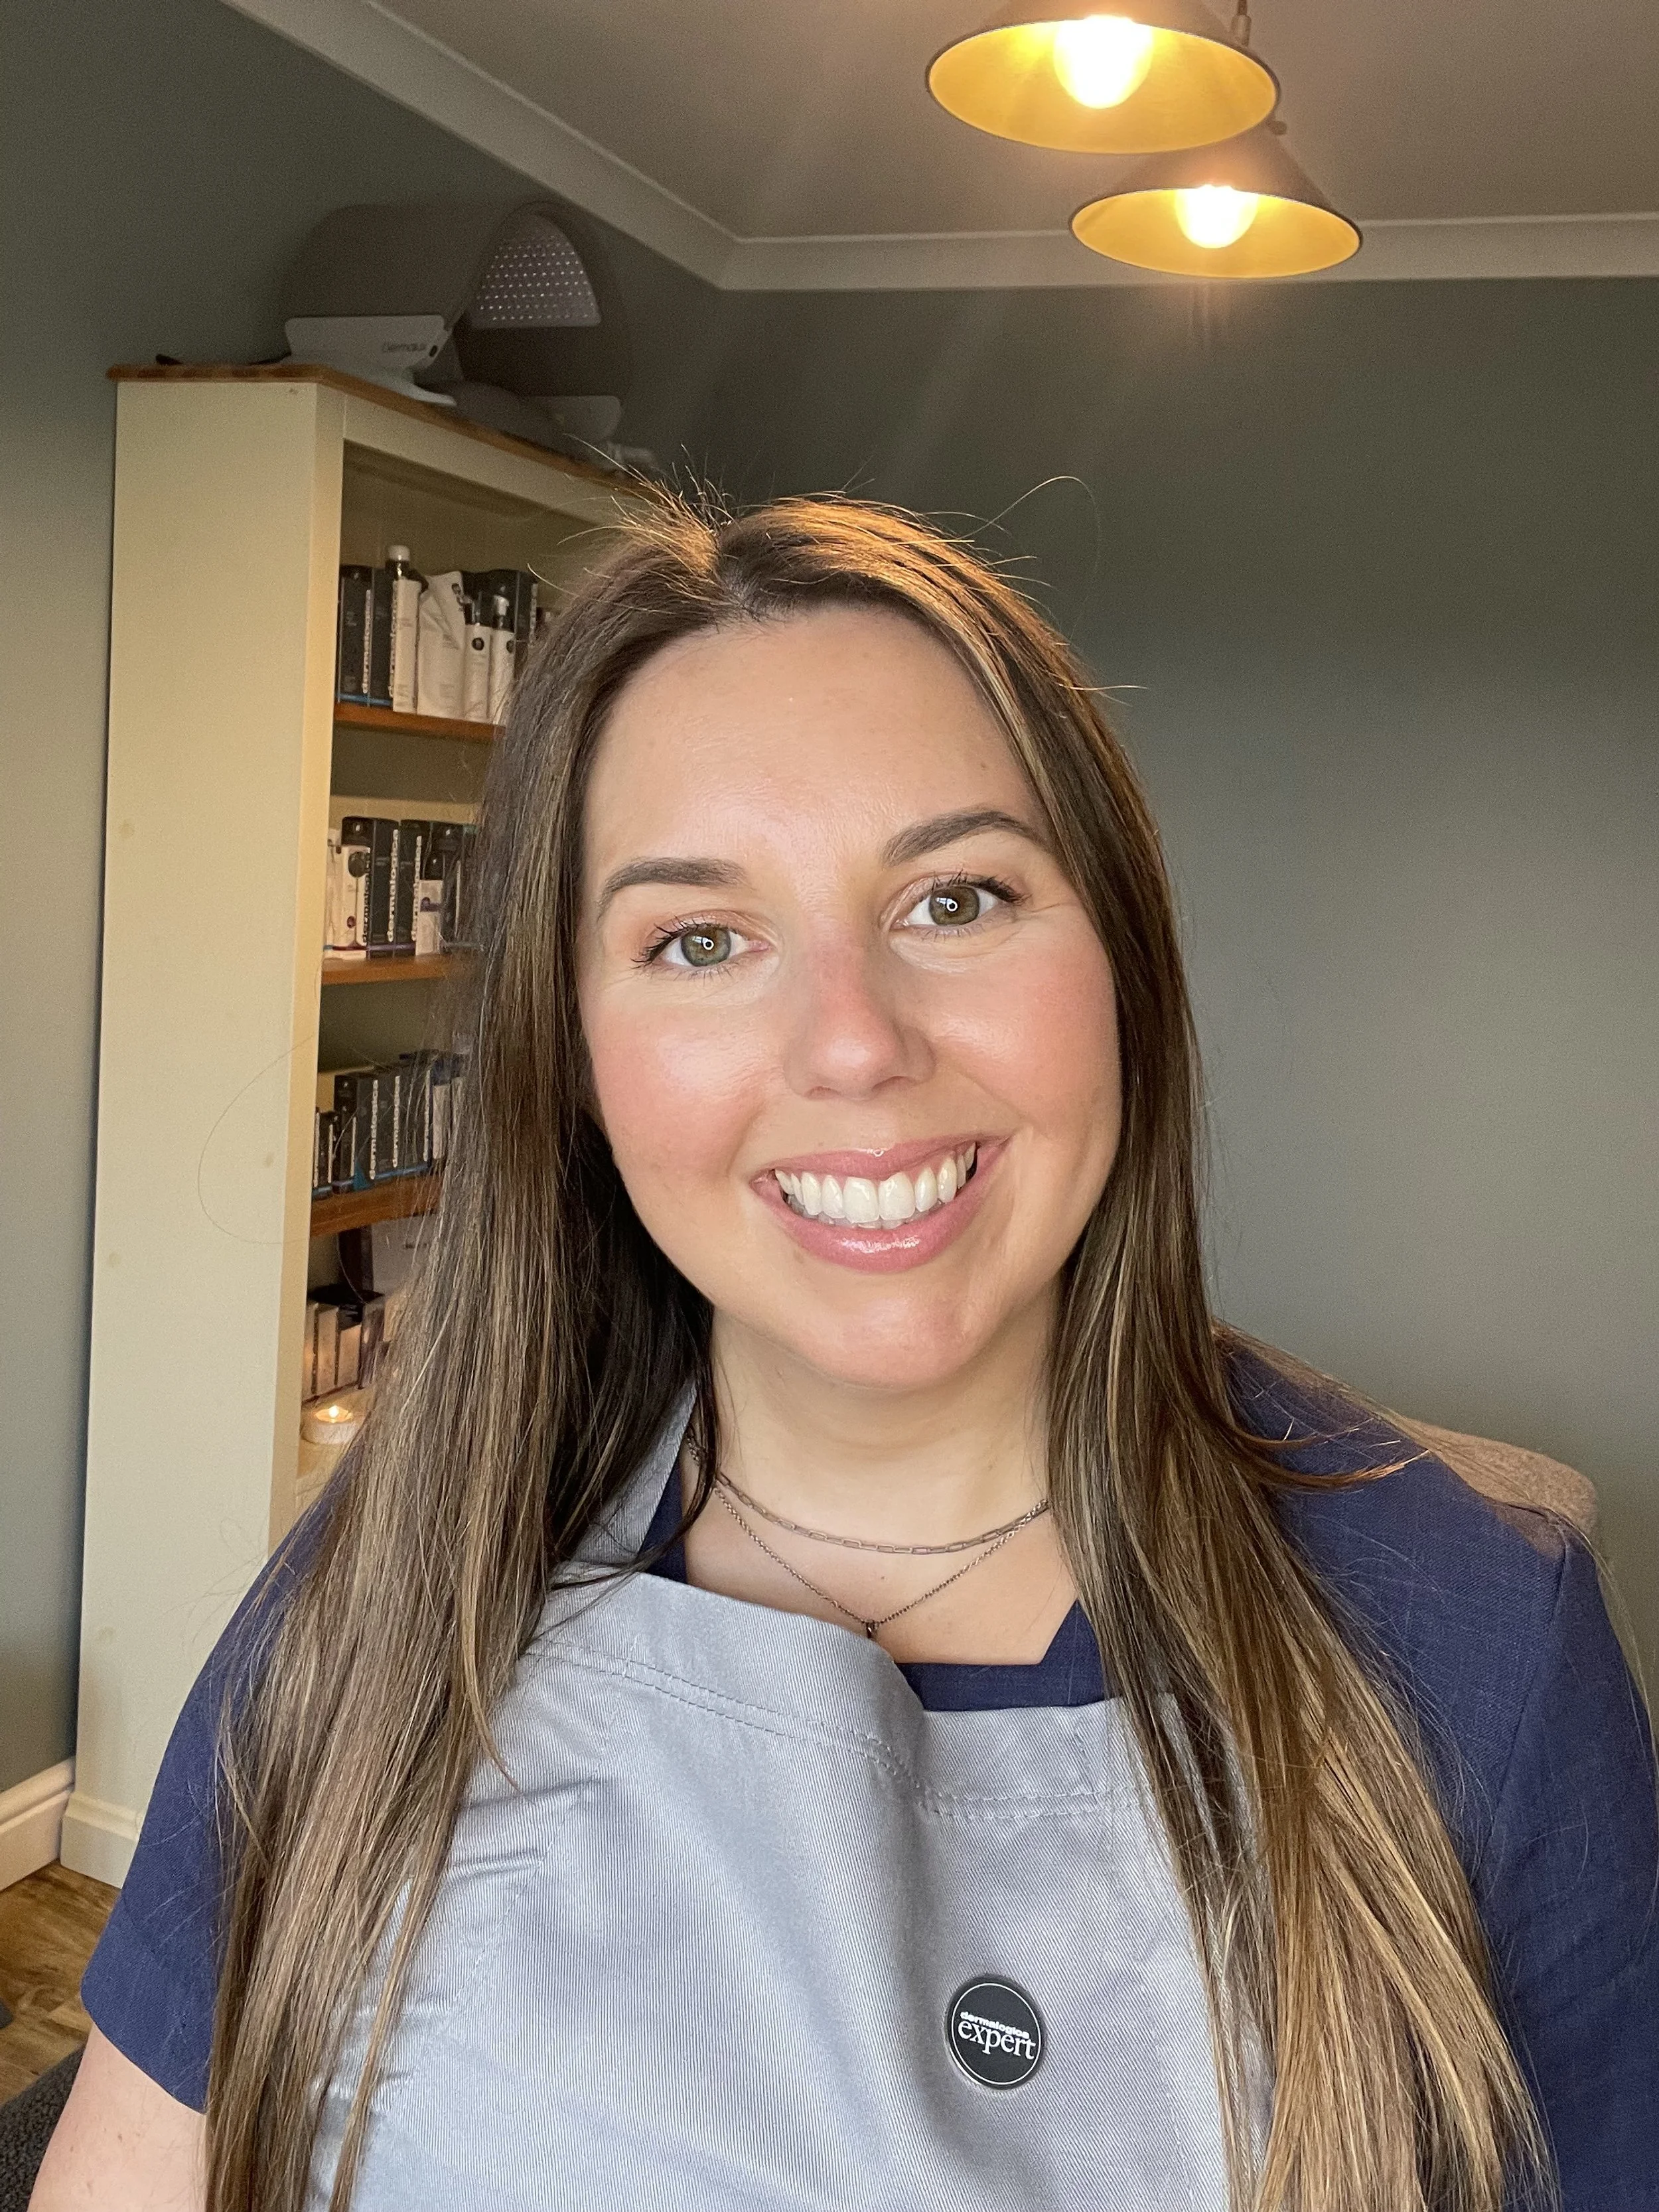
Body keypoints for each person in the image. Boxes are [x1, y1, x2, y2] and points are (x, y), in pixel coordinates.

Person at [35, 498, 1657, 2212]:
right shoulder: (398, 1582)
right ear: (569, 1056)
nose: (852, 1046)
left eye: (955, 897)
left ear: (1122, 963)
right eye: (699, 939)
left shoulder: (1469, 1631)